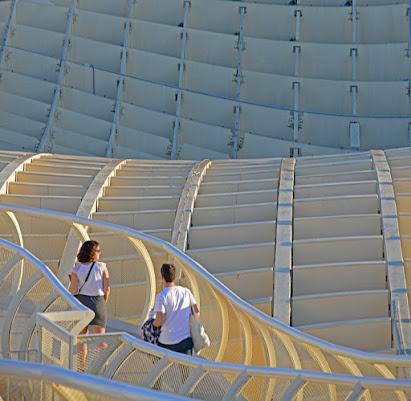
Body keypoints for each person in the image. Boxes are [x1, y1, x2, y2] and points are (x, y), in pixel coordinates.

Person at [70, 240, 110, 371]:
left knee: (82, 339)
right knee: (100, 340)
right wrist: (102, 303)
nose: (100, 253)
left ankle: (82, 367)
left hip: (82, 303)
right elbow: (107, 288)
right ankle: (106, 369)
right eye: (98, 250)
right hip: (98, 302)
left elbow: (73, 290)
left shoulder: (76, 269)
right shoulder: (102, 266)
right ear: (92, 253)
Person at [152, 263, 199, 355]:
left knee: (159, 365)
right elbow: (196, 314)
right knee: (186, 369)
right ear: (175, 276)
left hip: (167, 342)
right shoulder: (186, 292)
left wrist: (151, 323)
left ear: (162, 277)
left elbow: (160, 321)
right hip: (185, 339)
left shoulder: (161, 296)